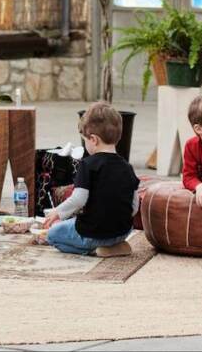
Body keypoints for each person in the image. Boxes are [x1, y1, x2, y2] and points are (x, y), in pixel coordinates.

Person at [42, 103, 138, 257]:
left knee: (53, 235)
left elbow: (79, 199)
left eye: (85, 140)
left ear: (93, 139)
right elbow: (134, 206)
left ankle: (96, 250)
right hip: (122, 232)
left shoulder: (88, 165)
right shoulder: (127, 167)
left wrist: (57, 212)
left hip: (94, 234)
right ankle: (116, 247)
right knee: (79, 225)